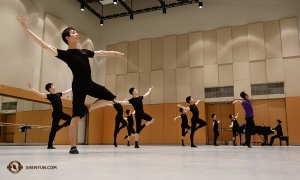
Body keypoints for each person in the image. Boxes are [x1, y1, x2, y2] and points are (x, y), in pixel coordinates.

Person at [16, 15, 124, 154]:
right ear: (67, 38)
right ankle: (73, 147)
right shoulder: (65, 54)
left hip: (90, 84)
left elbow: (99, 52)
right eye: (73, 33)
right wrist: (27, 29)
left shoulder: (84, 51)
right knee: (75, 119)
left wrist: (112, 52)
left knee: (112, 98)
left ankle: (88, 110)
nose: (76, 33)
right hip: (78, 87)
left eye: (76, 32)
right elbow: (44, 44)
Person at [27, 82, 72, 149]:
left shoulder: (58, 94)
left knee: (71, 119)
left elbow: (65, 92)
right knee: (53, 130)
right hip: (56, 114)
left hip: (61, 113)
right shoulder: (49, 96)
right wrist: (31, 88)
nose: (54, 87)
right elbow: (40, 94)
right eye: (52, 86)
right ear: (49, 89)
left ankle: (59, 127)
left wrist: (72, 88)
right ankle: (50, 145)